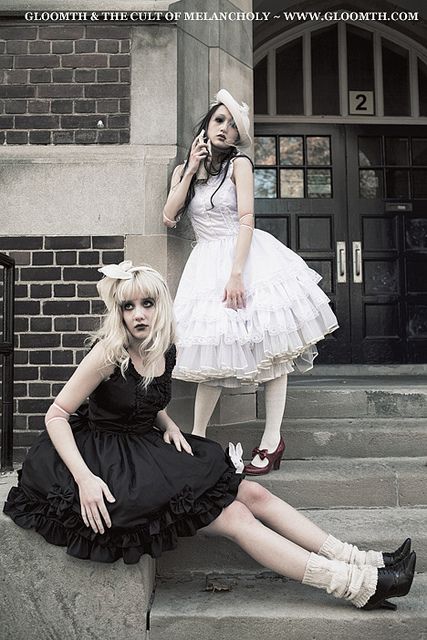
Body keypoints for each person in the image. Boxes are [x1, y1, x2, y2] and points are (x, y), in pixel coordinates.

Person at [3, 262, 416, 611]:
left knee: (253, 495)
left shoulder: (164, 348)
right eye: (128, 306)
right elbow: (56, 414)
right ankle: (356, 585)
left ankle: (365, 560)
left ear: (160, 305)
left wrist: (166, 426)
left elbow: (142, 399)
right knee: (236, 516)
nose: (138, 315)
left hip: (144, 446)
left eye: (147, 304)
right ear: (119, 311)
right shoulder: (108, 352)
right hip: (102, 460)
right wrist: (84, 479)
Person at [163, 89, 339, 475]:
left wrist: (237, 273)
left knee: (274, 349)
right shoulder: (185, 171)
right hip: (205, 264)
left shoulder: (239, 164)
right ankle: (197, 440)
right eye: (218, 121)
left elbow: (246, 219)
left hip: (245, 259)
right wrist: (191, 168)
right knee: (213, 352)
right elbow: (168, 216)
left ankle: (272, 441)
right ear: (206, 126)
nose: (224, 129)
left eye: (231, 124)